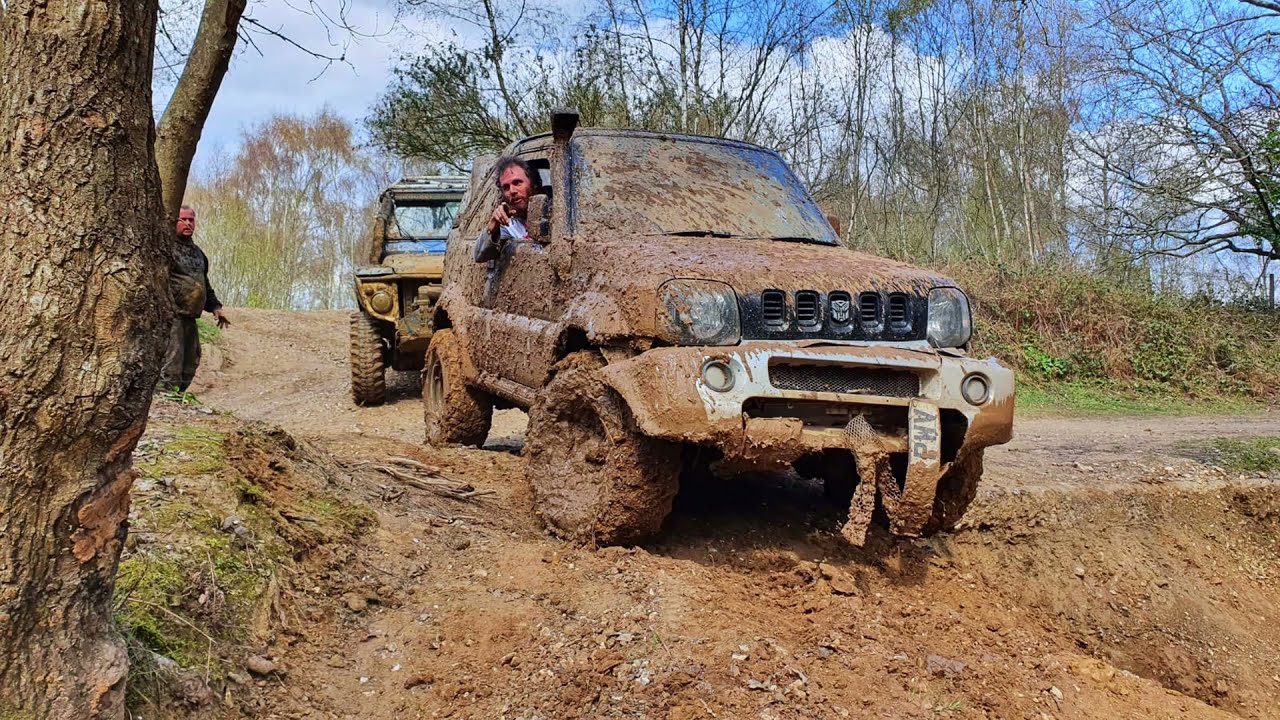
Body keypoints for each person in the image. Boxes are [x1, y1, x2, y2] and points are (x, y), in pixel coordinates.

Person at [159, 205, 230, 392]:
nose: (188, 223)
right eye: (183, 219)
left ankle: (177, 399)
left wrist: (215, 306)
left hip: (190, 317)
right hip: (172, 315)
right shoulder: (165, 248)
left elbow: (203, 282)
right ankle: (165, 399)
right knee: (171, 362)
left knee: (192, 361)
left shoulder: (198, 253)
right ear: (174, 221)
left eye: (191, 220)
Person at [473, 156, 542, 262]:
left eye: (517, 183)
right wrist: (492, 228)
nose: (512, 191)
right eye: (506, 187)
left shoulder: (557, 213)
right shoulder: (509, 225)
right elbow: (479, 255)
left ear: (534, 183)